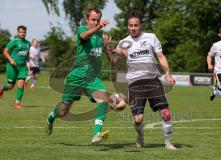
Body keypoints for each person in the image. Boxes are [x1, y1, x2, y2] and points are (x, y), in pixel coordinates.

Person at [45, 8, 113, 144]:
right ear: (87, 20)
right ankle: (51, 117)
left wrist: (108, 49)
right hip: (77, 76)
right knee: (63, 110)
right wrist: (99, 27)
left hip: (92, 78)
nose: (96, 22)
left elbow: (111, 58)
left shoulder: (101, 36)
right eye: (93, 20)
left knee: (104, 99)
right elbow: (84, 37)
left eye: (98, 20)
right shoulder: (82, 30)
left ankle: (96, 133)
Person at [110, 10, 177, 150]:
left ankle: (168, 142)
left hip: (153, 80)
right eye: (130, 25)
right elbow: (113, 60)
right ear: (127, 26)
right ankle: (140, 134)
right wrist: (108, 49)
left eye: (136, 25)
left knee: (165, 112)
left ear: (141, 25)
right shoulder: (123, 42)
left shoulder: (151, 37)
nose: (133, 28)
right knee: (138, 119)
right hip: (135, 84)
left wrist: (168, 74)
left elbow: (161, 57)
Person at [0, 25, 31, 108]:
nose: (22, 33)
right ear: (18, 33)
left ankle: (17, 103)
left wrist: (29, 61)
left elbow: (27, 54)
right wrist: (11, 60)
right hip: (12, 67)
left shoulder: (28, 43)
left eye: (24, 32)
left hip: (22, 68)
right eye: (21, 32)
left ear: (26, 33)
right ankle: (1, 88)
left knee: (21, 84)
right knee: (10, 86)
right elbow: (5, 52)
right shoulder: (14, 42)